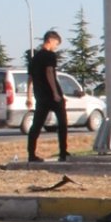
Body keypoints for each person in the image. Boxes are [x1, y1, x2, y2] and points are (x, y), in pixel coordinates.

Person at [26, 30, 69, 163]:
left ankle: (31, 154)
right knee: (62, 123)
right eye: (56, 43)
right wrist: (55, 93)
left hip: (40, 96)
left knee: (36, 125)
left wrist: (28, 97)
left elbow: (30, 78)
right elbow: (49, 72)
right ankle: (63, 153)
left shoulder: (35, 58)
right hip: (52, 95)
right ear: (50, 40)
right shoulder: (50, 55)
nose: (56, 46)